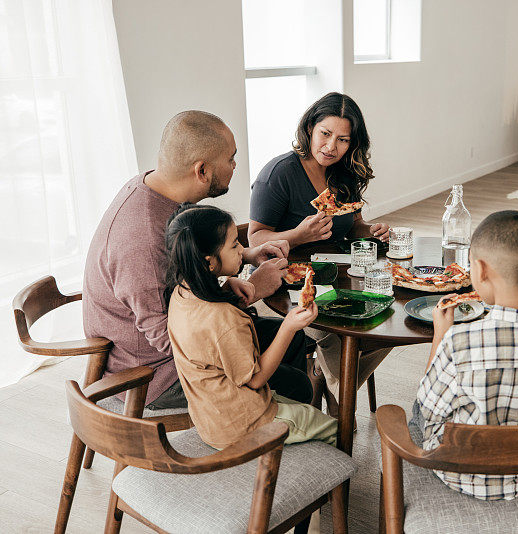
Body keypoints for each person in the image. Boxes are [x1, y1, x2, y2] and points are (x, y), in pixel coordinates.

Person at [83, 110, 312, 410]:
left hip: (179, 340)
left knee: (293, 342)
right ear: (201, 171)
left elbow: (186, 268)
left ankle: (280, 431)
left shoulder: (157, 191)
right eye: (230, 159)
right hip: (155, 372)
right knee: (296, 385)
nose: (235, 165)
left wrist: (243, 255)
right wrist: (249, 289)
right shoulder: (144, 239)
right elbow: (171, 339)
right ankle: (264, 434)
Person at [413, 210, 518, 500]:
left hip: (459, 473)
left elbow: (428, 409)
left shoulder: (459, 340)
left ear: (481, 270)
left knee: (415, 411)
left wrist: (440, 336)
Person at [247, 92, 391, 411]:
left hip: (340, 275)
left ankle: (325, 377)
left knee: (387, 318)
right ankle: (342, 401)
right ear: (310, 127)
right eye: (325, 134)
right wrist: (298, 235)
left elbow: (353, 224)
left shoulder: (344, 171)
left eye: (342, 139)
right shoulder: (279, 174)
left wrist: (371, 230)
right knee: (332, 332)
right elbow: (254, 239)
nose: (330, 147)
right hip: (292, 282)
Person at [164, 204, 336, 449]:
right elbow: (255, 379)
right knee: (335, 430)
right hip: (246, 424)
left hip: (212, 416)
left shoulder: (180, 293)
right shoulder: (224, 319)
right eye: (234, 245)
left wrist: (225, 287)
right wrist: (289, 326)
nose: (242, 250)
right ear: (209, 262)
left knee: (299, 395)